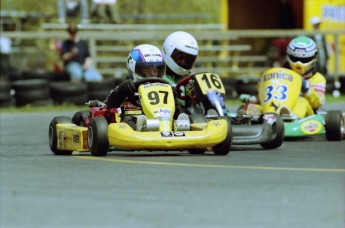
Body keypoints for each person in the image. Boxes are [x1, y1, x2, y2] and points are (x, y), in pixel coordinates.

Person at [244, 36, 326, 118]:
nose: (299, 63)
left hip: (306, 114)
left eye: (304, 60)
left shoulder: (317, 78)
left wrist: (306, 89)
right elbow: (262, 91)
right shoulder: (280, 74)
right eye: (295, 58)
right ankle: (251, 114)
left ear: (313, 58)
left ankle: (291, 118)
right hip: (279, 107)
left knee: (301, 101)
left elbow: (317, 103)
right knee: (262, 105)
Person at [105, 44, 183, 130]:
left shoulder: (166, 88)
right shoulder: (127, 87)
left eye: (156, 69)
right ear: (135, 67)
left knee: (183, 118)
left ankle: (179, 126)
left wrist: (173, 95)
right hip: (135, 121)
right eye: (147, 69)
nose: (153, 73)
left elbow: (177, 112)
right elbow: (110, 104)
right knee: (128, 121)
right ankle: (142, 128)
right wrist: (121, 90)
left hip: (164, 121)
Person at [161, 31, 199, 108]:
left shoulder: (190, 80)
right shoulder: (155, 74)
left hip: (188, 117)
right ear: (168, 50)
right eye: (180, 57)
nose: (184, 63)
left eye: (188, 59)